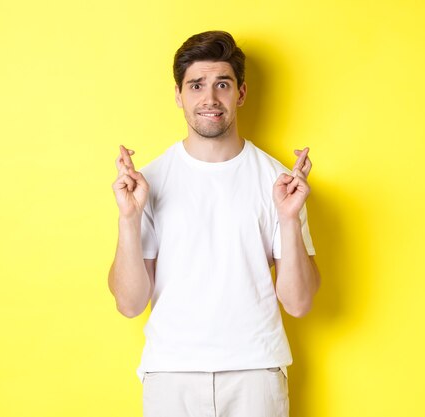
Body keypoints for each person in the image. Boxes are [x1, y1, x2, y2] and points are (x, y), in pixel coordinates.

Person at [108, 30, 320, 417]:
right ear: (178, 95)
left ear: (240, 93)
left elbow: (299, 302)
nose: (209, 98)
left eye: (222, 84)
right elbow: (129, 302)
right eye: (196, 85)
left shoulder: (278, 183)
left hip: (255, 371)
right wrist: (128, 218)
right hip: (171, 373)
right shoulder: (149, 181)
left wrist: (289, 220)